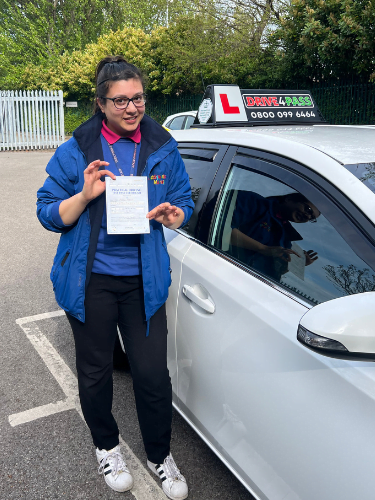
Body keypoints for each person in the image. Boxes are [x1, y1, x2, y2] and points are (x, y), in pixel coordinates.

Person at [36, 55, 194, 500]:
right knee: (95, 373)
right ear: (100, 103)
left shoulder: (163, 145)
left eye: (138, 97)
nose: (132, 108)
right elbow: (48, 212)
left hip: (144, 282)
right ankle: (106, 446)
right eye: (120, 100)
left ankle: (159, 455)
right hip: (91, 284)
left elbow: (183, 200)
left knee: (151, 375)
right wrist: (84, 195)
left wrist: (176, 214)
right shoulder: (76, 150)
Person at [230, 191, 319, 281]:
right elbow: (220, 227)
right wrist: (263, 248)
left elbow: (277, 271)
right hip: (231, 273)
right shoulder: (251, 201)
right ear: (289, 199)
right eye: (308, 210)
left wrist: (299, 264)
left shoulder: (287, 237)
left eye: (312, 218)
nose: (307, 217)